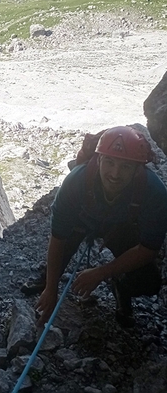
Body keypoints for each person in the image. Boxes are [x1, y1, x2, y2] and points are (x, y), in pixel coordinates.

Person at [23, 126, 167, 328]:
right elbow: (58, 237)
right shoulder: (76, 183)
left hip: (120, 228)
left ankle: (121, 285)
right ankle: (47, 278)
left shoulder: (154, 193)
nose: (115, 174)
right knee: (62, 252)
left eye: (125, 166)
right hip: (83, 221)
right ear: (98, 159)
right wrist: (51, 288)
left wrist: (102, 272)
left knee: (147, 281)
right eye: (109, 162)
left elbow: (148, 249)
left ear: (137, 170)